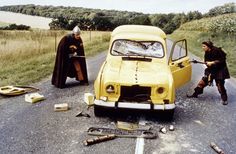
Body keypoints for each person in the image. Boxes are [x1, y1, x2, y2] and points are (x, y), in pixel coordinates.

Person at [187, 41, 230, 105]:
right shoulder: (207, 52)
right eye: (202, 46)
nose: (203, 48)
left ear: (208, 46)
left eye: (204, 46)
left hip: (220, 70)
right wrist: (208, 64)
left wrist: (213, 62)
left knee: (220, 86)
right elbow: (206, 61)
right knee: (202, 83)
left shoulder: (217, 50)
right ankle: (195, 94)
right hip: (211, 70)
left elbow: (222, 60)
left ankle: (224, 99)